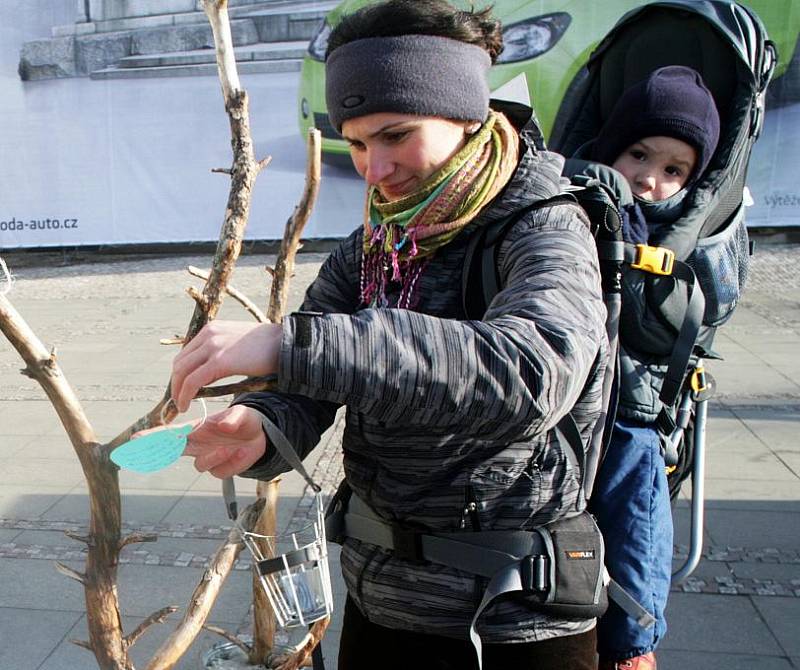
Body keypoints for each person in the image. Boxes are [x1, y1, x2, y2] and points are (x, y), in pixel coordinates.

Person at [169, 1, 608, 668]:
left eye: (395, 135)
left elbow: (531, 373)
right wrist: (264, 423)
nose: (375, 170)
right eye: (358, 142)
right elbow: (309, 385)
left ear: (466, 114)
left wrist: (293, 343)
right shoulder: (376, 243)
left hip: (515, 617)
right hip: (380, 605)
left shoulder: (544, 225)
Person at [565, 65, 721, 670]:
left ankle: (633, 643)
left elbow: (696, 316)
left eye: (673, 170)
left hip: (631, 403)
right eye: (639, 156)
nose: (651, 181)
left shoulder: (690, 236)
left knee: (636, 502)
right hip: (564, 385)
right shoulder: (573, 190)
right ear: (611, 148)